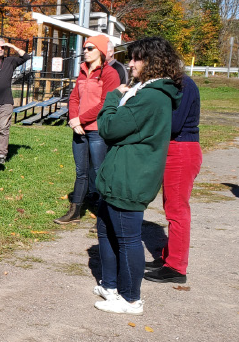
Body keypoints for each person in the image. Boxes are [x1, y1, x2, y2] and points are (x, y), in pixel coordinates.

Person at [92, 36, 182, 315]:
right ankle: (111, 285)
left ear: (152, 62)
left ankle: (131, 298)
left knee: (129, 238)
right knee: (106, 228)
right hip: (121, 173)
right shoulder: (146, 91)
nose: (130, 64)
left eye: (136, 59)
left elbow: (109, 128)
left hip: (130, 177)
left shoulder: (150, 96)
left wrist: (113, 97)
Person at [55, 34, 123, 224]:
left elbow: (105, 104)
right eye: (85, 48)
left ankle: (104, 217)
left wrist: (80, 120)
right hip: (79, 130)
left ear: (100, 51)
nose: (85, 51)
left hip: (97, 131)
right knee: (81, 171)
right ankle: (74, 211)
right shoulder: (83, 71)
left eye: (90, 48)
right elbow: (74, 98)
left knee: (100, 171)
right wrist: (74, 120)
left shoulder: (110, 74)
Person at [145, 73, 201, 283]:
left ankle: (176, 268)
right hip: (174, 148)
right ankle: (168, 258)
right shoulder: (172, 83)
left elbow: (175, 124)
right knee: (171, 206)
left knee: (177, 210)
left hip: (181, 149)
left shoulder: (183, 84)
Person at [0, 38, 31, 164]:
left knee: (3, 128)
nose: (0, 49)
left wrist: (13, 46)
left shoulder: (10, 61)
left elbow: (26, 57)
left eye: (2, 47)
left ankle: (2, 154)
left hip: (6, 101)